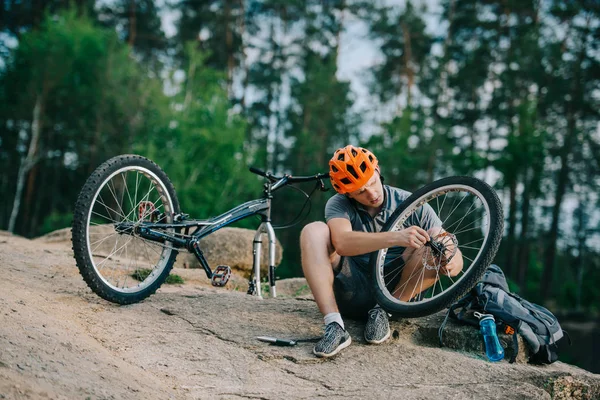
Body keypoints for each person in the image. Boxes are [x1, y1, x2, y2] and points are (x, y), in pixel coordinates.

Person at [300, 145, 464, 358]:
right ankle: (334, 325)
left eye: (372, 183)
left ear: (377, 170)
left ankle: (382, 312)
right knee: (313, 231)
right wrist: (397, 236)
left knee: (438, 238)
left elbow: (453, 253)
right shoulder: (338, 204)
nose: (372, 193)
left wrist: (451, 262)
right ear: (347, 193)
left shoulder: (414, 203)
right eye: (360, 192)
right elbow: (342, 243)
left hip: (397, 294)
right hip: (352, 287)